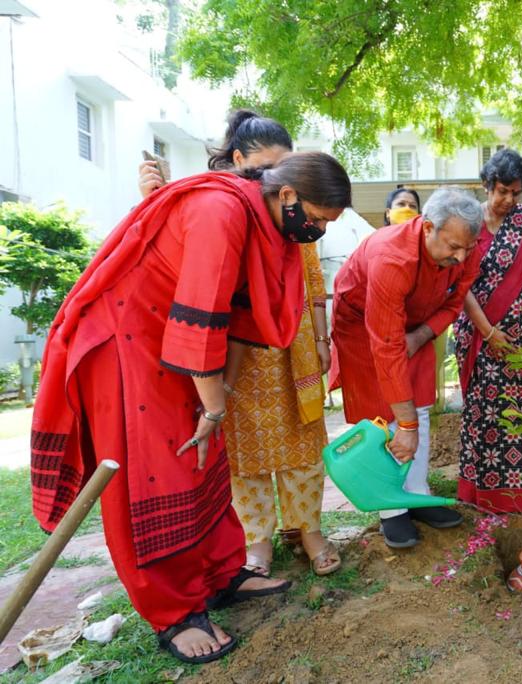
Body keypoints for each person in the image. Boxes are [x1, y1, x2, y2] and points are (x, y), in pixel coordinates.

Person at [31, 152, 352, 663]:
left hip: (179, 346)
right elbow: (201, 316)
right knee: (153, 475)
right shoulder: (219, 212)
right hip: (127, 344)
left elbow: (242, 319)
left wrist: (218, 397)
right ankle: (174, 613)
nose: (314, 231)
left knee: (204, 463)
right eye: (315, 219)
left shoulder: (266, 224)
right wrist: (214, 408)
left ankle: (222, 575)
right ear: (287, 195)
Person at [140, 110, 341, 578]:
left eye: (282, 170)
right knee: (244, 451)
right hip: (234, 354)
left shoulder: (296, 205)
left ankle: (307, 529)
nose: (275, 181)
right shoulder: (220, 205)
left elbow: (311, 280)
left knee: (302, 441)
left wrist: (321, 337)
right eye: (265, 169)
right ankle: (257, 539)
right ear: (236, 159)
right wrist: (153, 199)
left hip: (292, 346)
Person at [332, 186, 482, 548]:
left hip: (416, 324)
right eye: (453, 247)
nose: (461, 257)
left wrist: (421, 336)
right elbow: (385, 345)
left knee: (421, 406)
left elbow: (454, 302)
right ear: (427, 227)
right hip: (362, 326)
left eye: (468, 248)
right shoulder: (391, 257)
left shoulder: (465, 248)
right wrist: (406, 426)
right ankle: (391, 510)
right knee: (384, 416)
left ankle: (416, 493)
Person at [454, 149, 522, 514]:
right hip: (479, 335)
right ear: (487, 185)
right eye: (502, 191)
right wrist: (488, 332)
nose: (509, 200)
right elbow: (459, 283)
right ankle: (486, 495)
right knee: (486, 411)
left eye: (516, 193)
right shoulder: (466, 222)